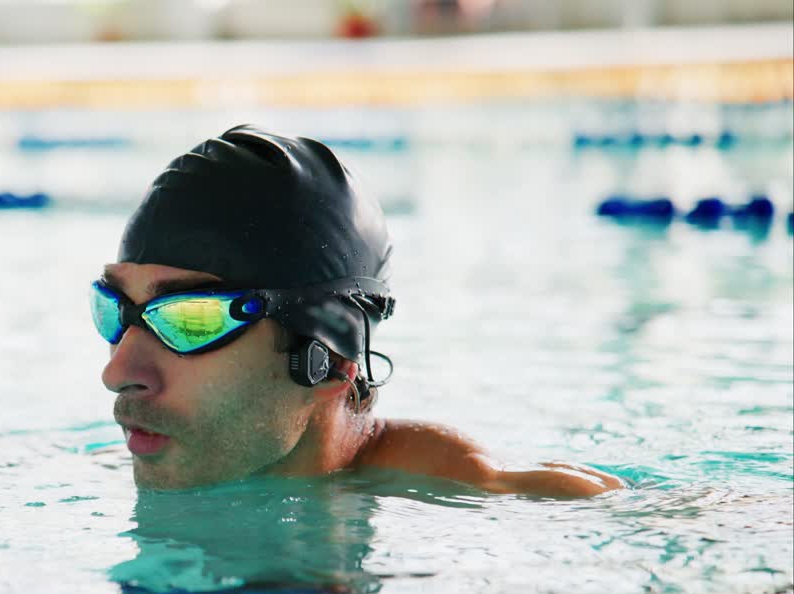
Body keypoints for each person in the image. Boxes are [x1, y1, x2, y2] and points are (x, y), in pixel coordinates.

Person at [91, 125, 622, 497]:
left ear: (329, 354)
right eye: (114, 308)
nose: (117, 372)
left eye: (190, 320)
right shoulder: (104, 470)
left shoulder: (475, 496)